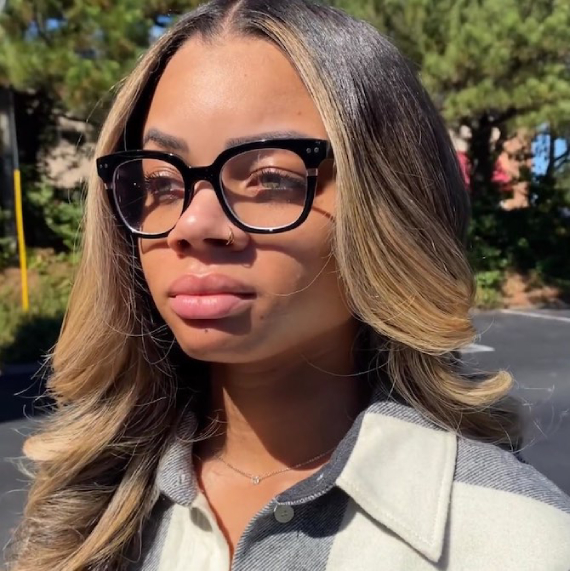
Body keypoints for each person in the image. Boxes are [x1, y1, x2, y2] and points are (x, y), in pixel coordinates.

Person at [8, 1, 570, 570]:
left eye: (270, 177)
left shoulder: (517, 540)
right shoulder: (80, 513)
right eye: (158, 180)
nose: (193, 225)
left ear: (391, 204)